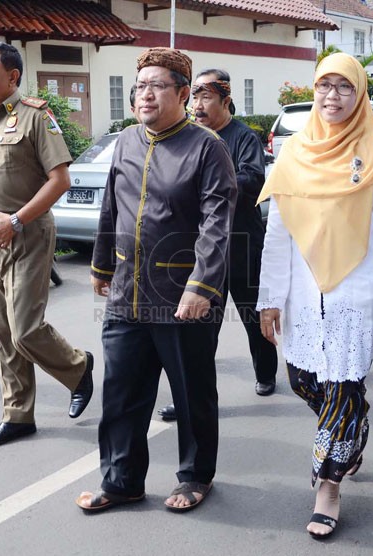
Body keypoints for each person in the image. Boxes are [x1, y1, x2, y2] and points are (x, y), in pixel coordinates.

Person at [258, 53, 373, 540]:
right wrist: (269, 299)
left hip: (358, 292)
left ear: (360, 93)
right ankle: (355, 424)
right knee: (306, 380)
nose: (332, 95)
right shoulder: (294, 153)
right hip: (304, 295)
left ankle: (327, 483)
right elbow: (277, 234)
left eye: (344, 87)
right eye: (324, 85)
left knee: (343, 388)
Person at [76, 47, 236, 513]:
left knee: (191, 393)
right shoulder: (125, 141)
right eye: (139, 86)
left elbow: (217, 223)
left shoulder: (207, 148)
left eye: (156, 85)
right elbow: (111, 207)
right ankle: (122, 480)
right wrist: (102, 265)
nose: (144, 95)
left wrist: (201, 287)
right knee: (122, 392)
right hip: (127, 292)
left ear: (183, 94)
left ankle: (195, 476)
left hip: (182, 296)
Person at [0, 42, 93, 448]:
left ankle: (78, 367)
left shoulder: (35, 117)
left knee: (24, 330)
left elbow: (60, 180)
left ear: (13, 77)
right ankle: (17, 415)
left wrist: (17, 220)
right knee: (2, 333)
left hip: (26, 232)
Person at [156, 68, 278, 423]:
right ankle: (190, 397)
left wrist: (209, 184)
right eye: (194, 97)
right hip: (203, 248)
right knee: (199, 325)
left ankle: (266, 373)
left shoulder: (243, 138)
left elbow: (253, 180)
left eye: (206, 97)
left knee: (252, 315)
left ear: (226, 101)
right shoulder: (188, 138)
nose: (198, 104)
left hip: (241, 242)